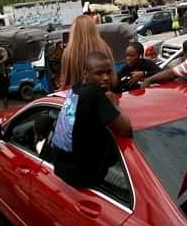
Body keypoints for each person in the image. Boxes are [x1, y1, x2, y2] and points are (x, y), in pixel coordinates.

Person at [52, 52, 132, 188]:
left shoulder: (77, 89)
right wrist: (115, 105)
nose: (106, 78)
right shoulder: (94, 94)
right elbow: (125, 130)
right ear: (85, 74)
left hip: (63, 169)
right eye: (99, 73)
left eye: (108, 72)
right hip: (85, 179)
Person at [59, 15, 114, 90]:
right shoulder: (104, 47)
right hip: (103, 92)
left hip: (79, 95)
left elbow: (66, 79)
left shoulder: (69, 52)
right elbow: (111, 73)